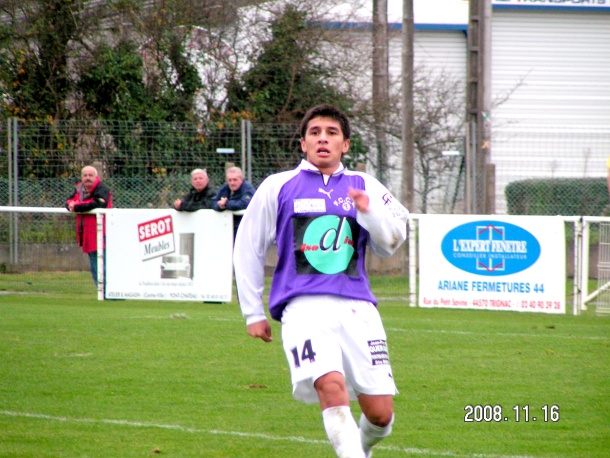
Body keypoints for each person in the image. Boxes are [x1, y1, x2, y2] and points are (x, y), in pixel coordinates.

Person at [233, 104, 409, 458]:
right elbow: (248, 248)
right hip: (302, 309)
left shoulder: (365, 185)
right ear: (303, 143)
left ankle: (363, 447)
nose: (323, 139)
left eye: (332, 133)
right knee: (330, 386)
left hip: (358, 309)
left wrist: (368, 211)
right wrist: (253, 312)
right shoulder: (277, 186)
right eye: (315, 133)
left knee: (380, 414)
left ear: (346, 144)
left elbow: (392, 242)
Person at [66, 165, 113, 286]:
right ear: (81, 177)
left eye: (90, 175)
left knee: (103, 264)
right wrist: (71, 205)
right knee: (94, 264)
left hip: (101, 231)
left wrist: (77, 206)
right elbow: (69, 201)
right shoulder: (79, 189)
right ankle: (102, 291)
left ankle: (109, 292)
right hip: (87, 232)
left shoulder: (102, 189)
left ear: (96, 177)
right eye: (85, 175)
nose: (87, 178)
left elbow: (98, 204)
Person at [212, 166, 256, 239]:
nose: (232, 183)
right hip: (228, 227)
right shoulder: (226, 187)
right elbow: (214, 202)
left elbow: (243, 204)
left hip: (245, 228)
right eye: (230, 180)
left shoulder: (248, 189)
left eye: (235, 180)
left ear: (241, 179)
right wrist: (220, 205)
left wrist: (226, 204)